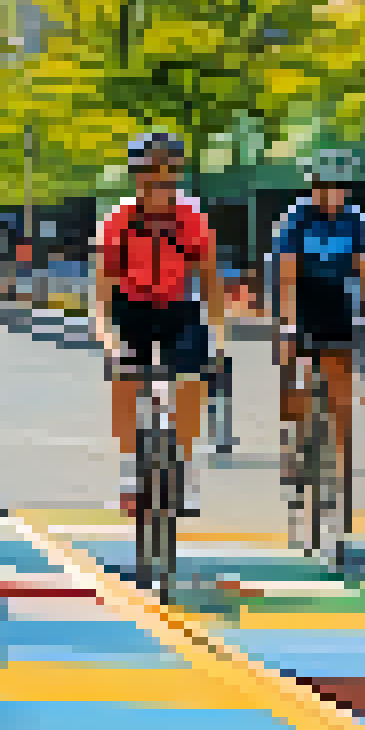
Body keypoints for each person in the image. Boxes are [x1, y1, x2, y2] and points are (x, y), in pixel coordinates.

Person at [92, 132, 228, 517]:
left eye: (167, 171)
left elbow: (210, 282)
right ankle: (129, 472)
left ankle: (185, 469)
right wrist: (109, 343)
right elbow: (101, 295)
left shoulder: (191, 219)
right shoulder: (118, 220)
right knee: (124, 378)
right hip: (131, 310)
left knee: (191, 381)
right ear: (136, 174)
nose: (158, 179)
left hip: (178, 308)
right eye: (149, 171)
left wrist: (219, 340)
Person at [271, 149, 365, 517]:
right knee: (293, 373)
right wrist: (288, 328)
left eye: (336, 186)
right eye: (322, 186)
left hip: (338, 299)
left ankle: (339, 473)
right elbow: (286, 277)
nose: (329, 192)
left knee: (340, 396)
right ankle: (294, 442)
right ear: (312, 187)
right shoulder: (295, 218)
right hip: (300, 296)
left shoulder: (359, 222)